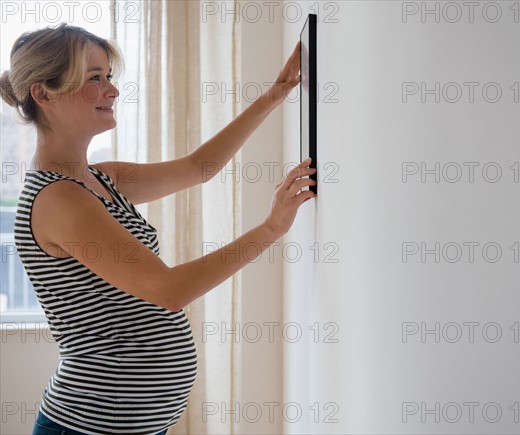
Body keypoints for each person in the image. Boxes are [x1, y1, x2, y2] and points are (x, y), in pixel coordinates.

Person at [0, 23, 316, 435]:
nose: (112, 91)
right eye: (94, 79)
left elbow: (198, 168)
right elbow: (170, 291)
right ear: (44, 94)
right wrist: (269, 230)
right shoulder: (58, 199)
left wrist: (274, 95)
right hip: (89, 427)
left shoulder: (99, 178)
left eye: (109, 77)